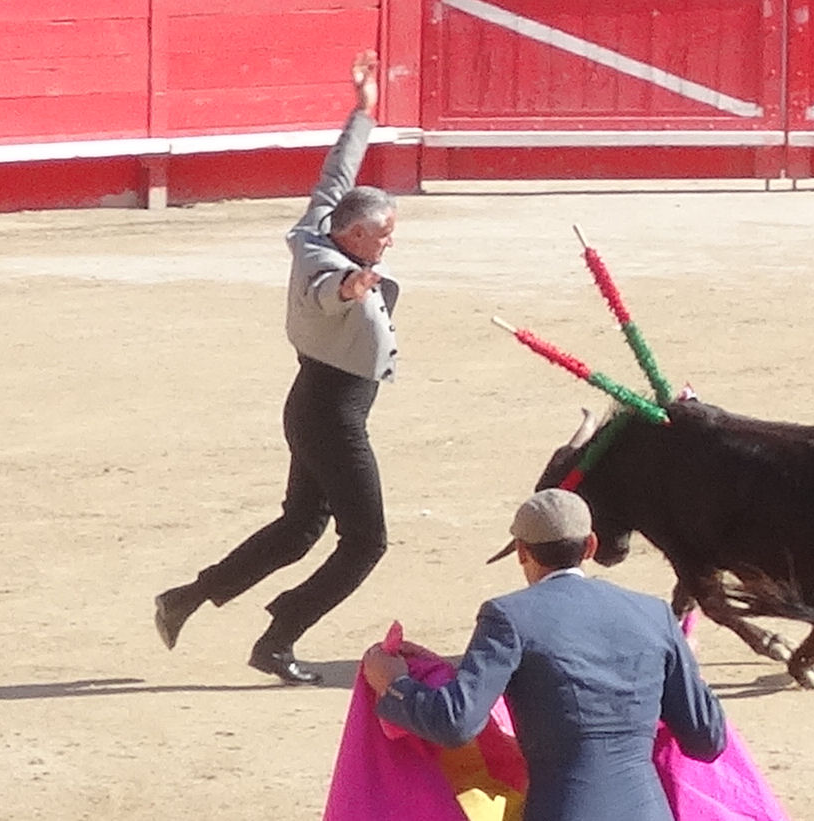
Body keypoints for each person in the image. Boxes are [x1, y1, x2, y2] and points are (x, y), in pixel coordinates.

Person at [153, 50, 400, 685]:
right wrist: (351, 290)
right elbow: (325, 293)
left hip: (313, 405)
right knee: (365, 541)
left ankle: (184, 598)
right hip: (334, 417)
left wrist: (363, 111)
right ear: (350, 238)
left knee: (299, 528)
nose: (388, 243)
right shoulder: (329, 269)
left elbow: (337, 172)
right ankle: (280, 634)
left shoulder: (321, 224)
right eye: (380, 236)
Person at [361, 489, 728, 821]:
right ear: (590, 546)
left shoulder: (509, 617)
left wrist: (394, 683)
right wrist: (689, 670)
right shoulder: (653, 614)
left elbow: (455, 721)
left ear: (521, 552)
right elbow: (707, 739)